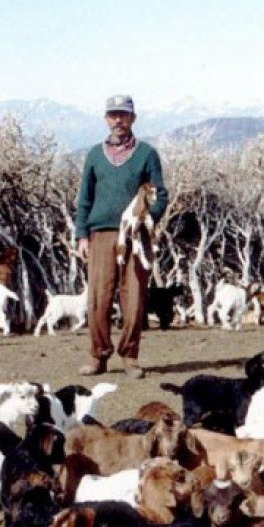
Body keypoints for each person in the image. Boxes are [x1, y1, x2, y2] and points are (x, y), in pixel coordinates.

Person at [74, 95, 168, 378]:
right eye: (113, 115)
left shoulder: (147, 154)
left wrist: (147, 219)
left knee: (135, 298)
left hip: (136, 238)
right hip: (101, 235)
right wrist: (81, 236)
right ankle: (98, 355)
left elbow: (159, 194)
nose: (118, 120)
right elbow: (84, 199)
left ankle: (130, 356)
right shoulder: (94, 155)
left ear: (133, 119)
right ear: (106, 118)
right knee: (98, 299)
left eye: (123, 115)